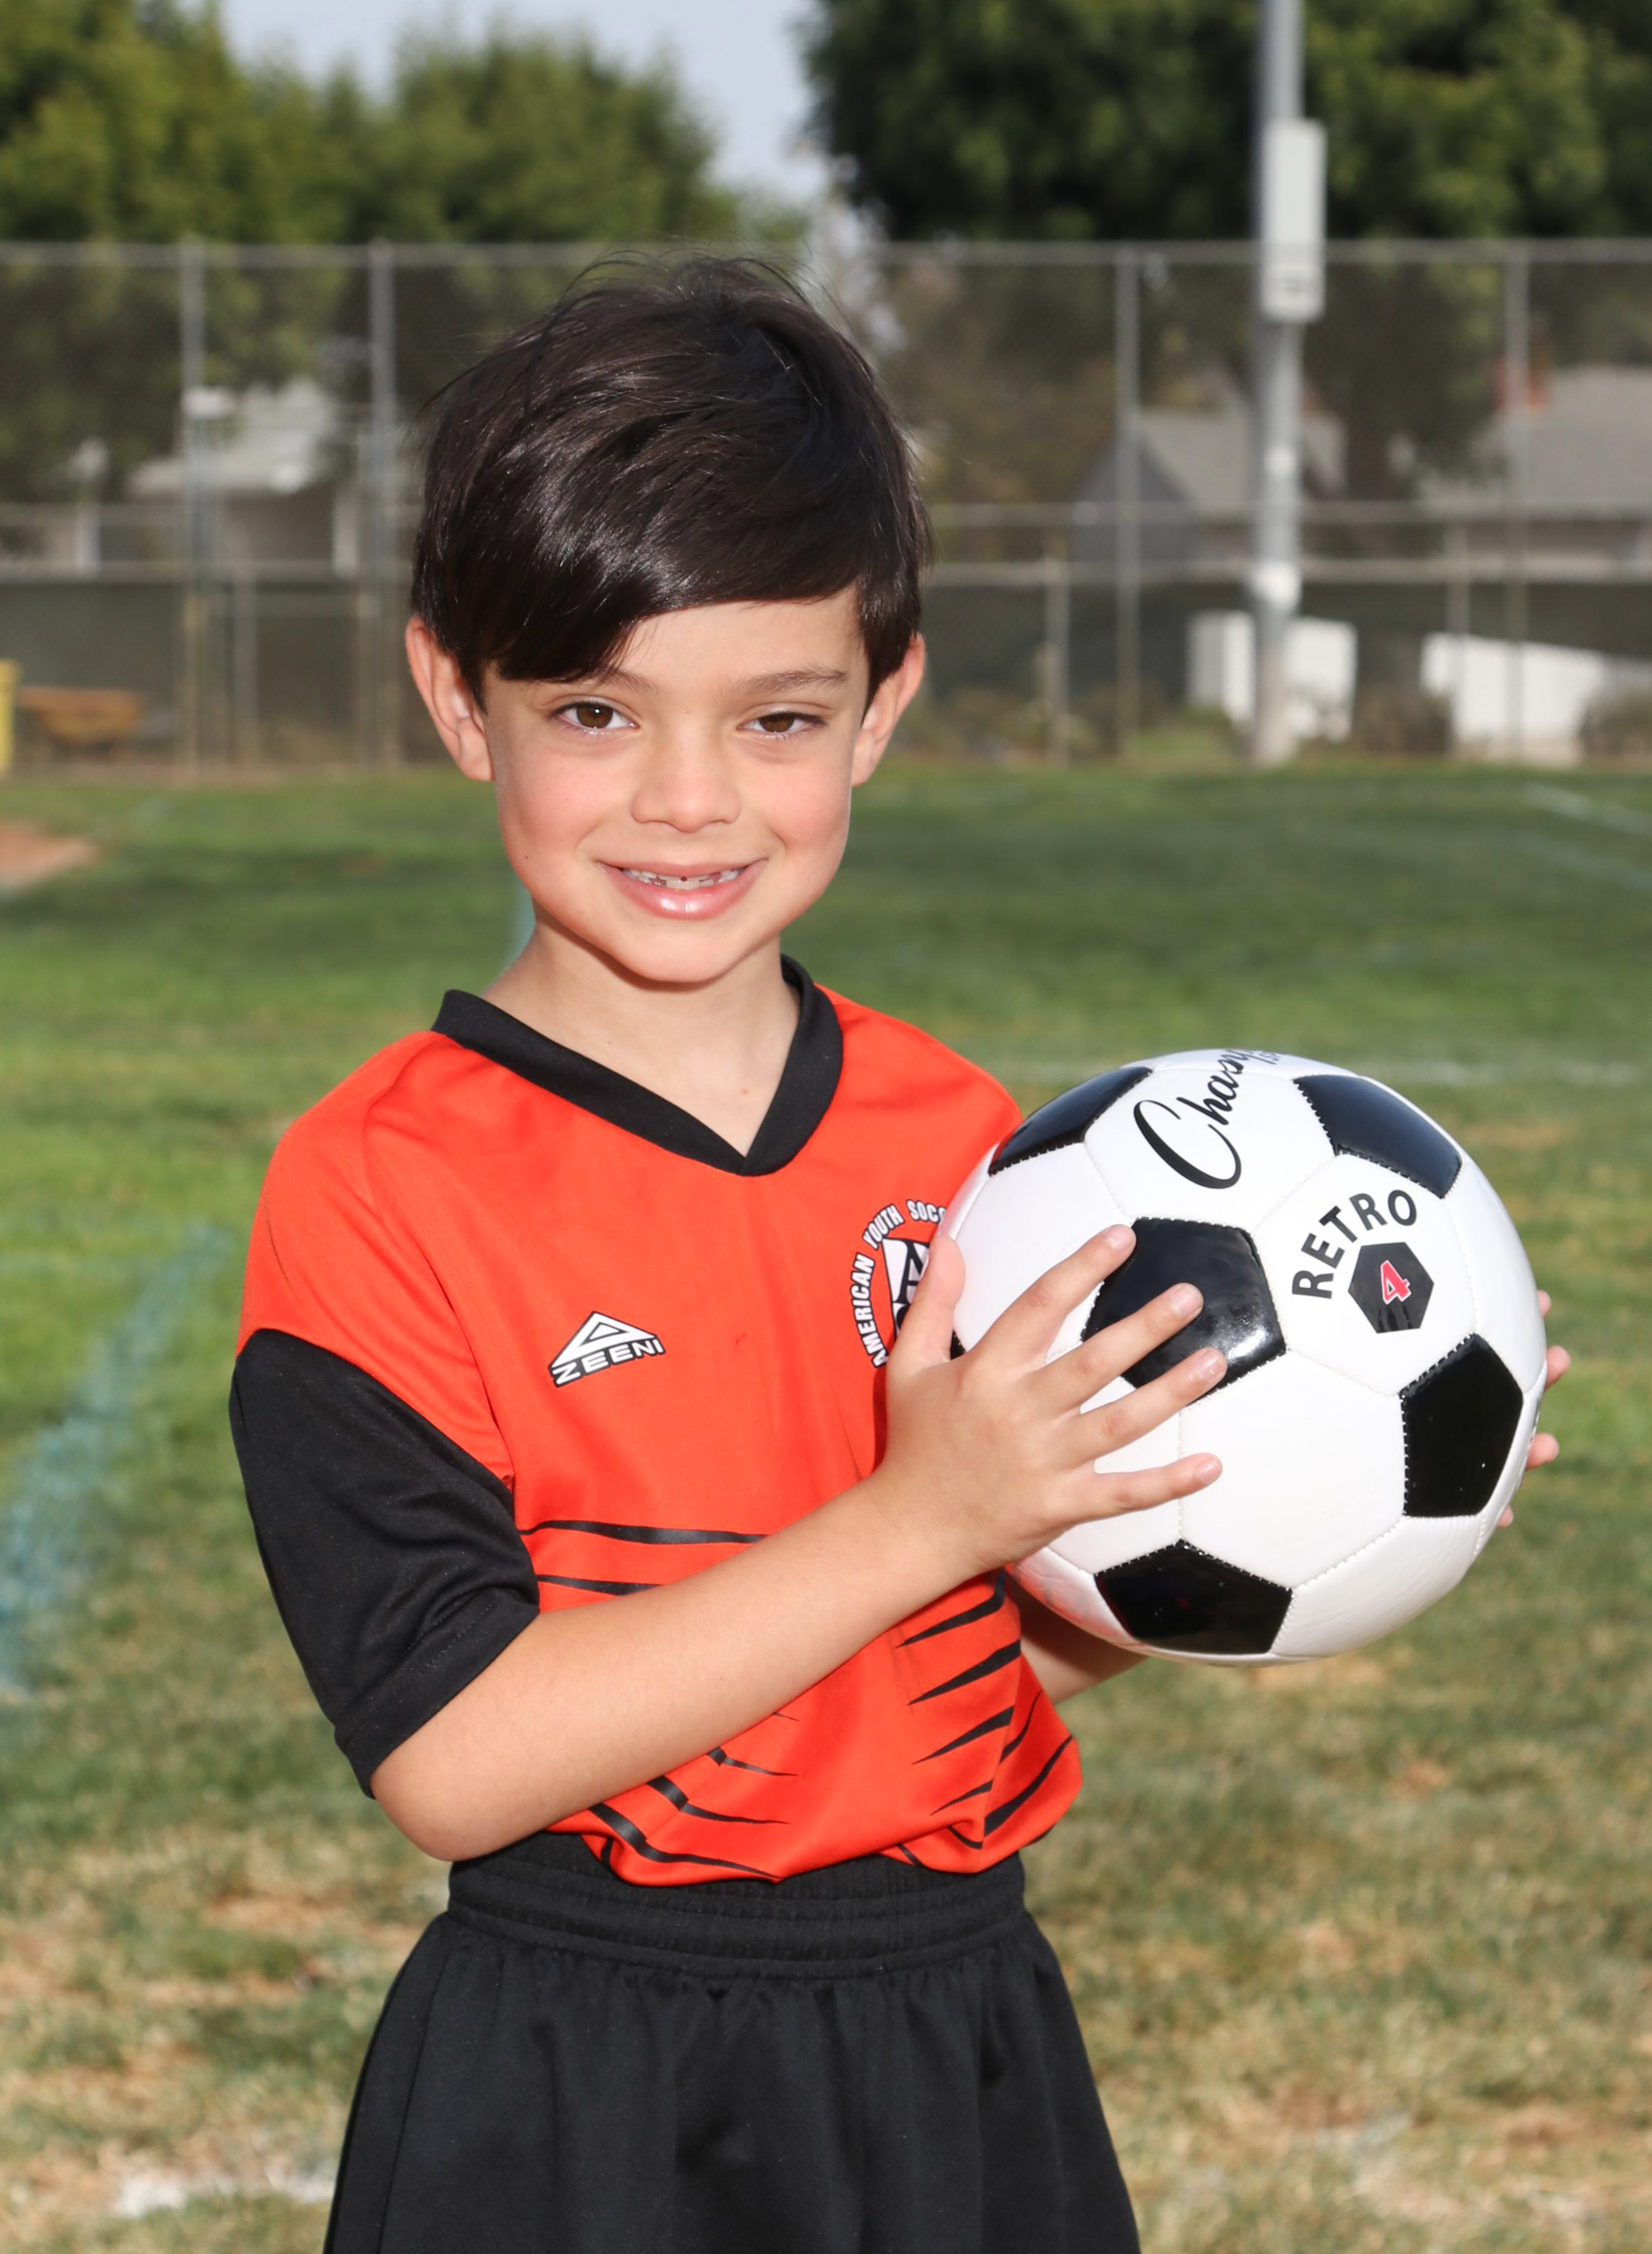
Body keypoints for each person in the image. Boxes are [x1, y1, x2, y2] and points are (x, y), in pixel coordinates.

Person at [229, 259, 1561, 2254]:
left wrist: (1285, 1487)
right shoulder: (380, 1188)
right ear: (455, 696)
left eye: (777, 716)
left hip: (961, 2037)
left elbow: (985, 1634)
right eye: (592, 711)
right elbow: (453, 1757)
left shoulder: (973, 1148)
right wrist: (923, 1508)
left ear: (882, 705)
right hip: (582, 2067)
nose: (689, 798)